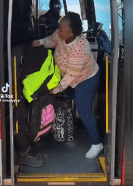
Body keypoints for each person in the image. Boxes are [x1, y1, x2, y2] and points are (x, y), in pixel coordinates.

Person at [32, 12, 103, 159]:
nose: (58, 30)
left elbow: (71, 76)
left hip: (85, 78)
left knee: (84, 110)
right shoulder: (60, 34)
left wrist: (54, 90)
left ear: (72, 32)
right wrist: (41, 42)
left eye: (62, 28)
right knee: (63, 98)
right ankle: (67, 125)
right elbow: (51, 40)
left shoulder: (81, 47)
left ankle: (97, 144)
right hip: (66, 76)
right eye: (59, 26)